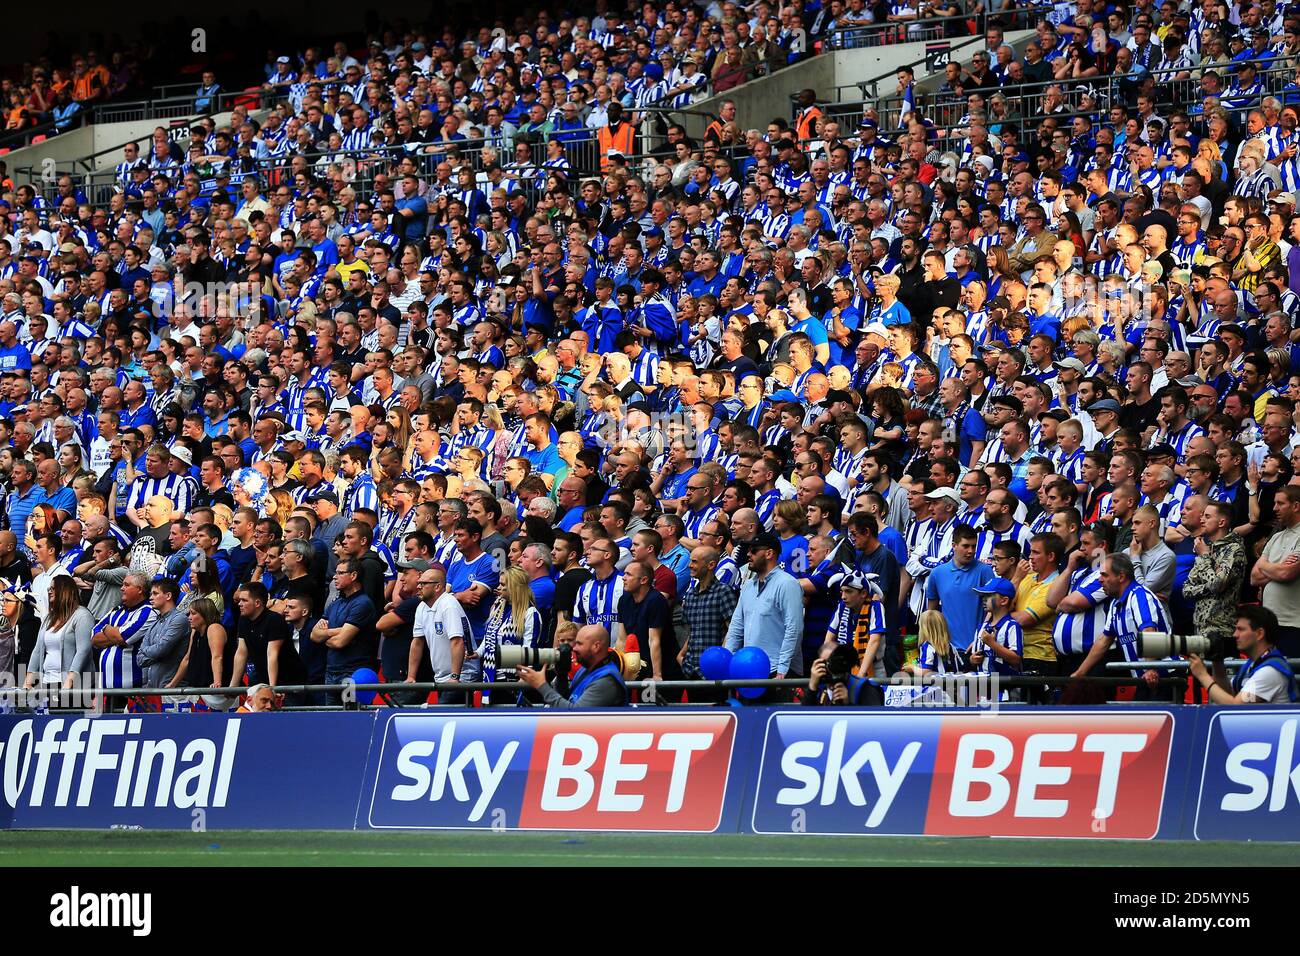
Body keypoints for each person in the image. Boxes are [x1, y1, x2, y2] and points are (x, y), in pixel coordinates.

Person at [723, 531, 805, 680]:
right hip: (749, 668)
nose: (748, 554)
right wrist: (729, 663)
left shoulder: (787, 583)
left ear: (769, 553)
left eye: (753, 550)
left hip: (777, 671)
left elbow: (794, 629)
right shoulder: (748, 586)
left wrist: (782, 670)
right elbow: (736, 627)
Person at [1189, 605, 1298, 703]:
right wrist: (1217, 664)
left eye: (1241, 629)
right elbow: (1228, 694)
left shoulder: (1270, 671)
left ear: (1260, 633)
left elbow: (1237, 706)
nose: (1235, 635)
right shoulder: (1253, 664)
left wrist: (1202, 675)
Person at [516, 623, 628, 708]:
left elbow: (575, 715)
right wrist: (561, 676)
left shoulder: (606, 682)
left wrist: (541, 686)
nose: (574, 648)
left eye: (579, 644)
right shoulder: (585, 670)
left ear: (596, 647)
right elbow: (566, 700)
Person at [311, 558, 379, 686]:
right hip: (331, 671)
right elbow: (314, 635)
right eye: (335, 573)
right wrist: (339, 630)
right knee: (331, 707)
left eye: (340, 573)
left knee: (352, 707)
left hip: (352, 673)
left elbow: (339, 642)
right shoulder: (335, 604)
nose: (335, 577)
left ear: (353, 575)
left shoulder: (362, 603)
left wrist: (325, 634)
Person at [24, 576, 93, 696]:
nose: (49, 591)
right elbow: (38, 650)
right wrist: (27, 682)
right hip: (47, 682)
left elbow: (83, 650)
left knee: (66, 714)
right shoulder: (49, 618)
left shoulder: (82, 616)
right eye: (49, 588)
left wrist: (68, 682)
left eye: (53, 588)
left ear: (65, 590)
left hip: (73, 686)